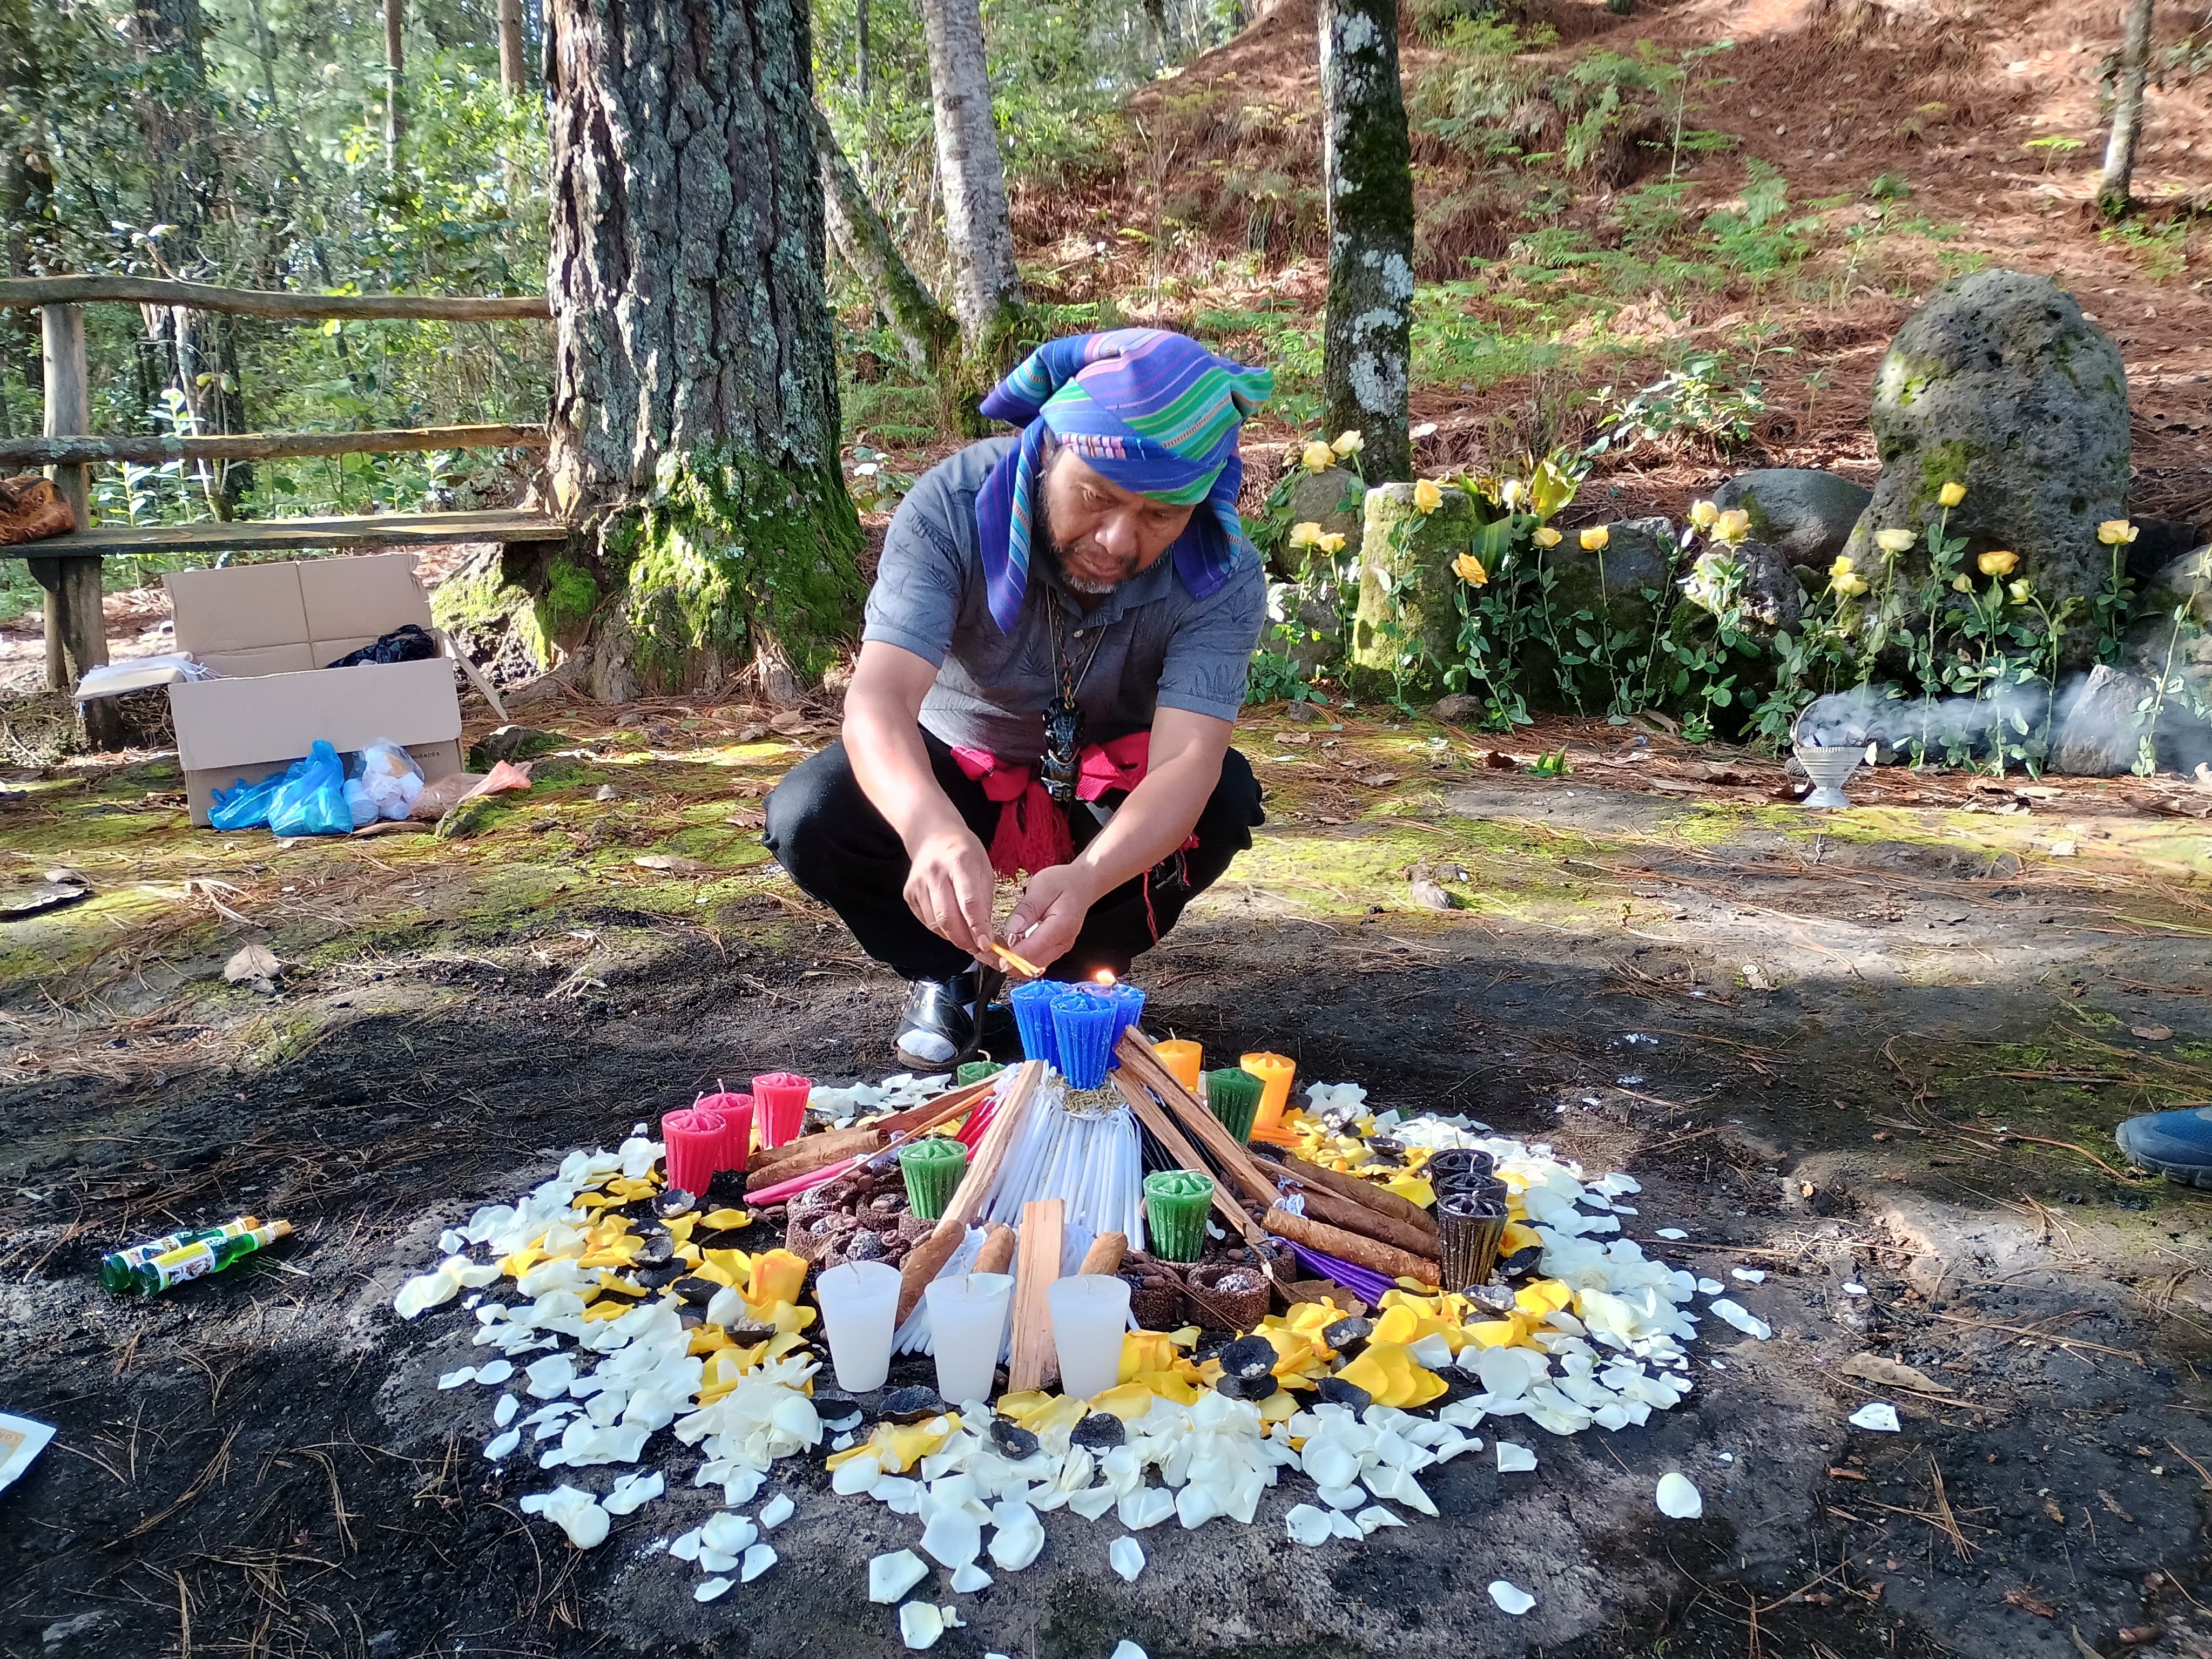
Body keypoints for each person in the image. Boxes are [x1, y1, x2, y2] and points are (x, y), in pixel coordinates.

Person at [765, 329, 1274, 1067]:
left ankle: (1077, 971)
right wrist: (930, 829)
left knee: (1223, 798)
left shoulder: (1222, 571)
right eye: (1095, 496)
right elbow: (879, 699)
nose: (1117, 540)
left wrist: (1092, 877)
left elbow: (1186, 763)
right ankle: (952, 970)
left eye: (1160, 516)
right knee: (812, 814)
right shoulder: (953, 506)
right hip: (959, 762)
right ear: (1048, 450)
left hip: (1108, 786)